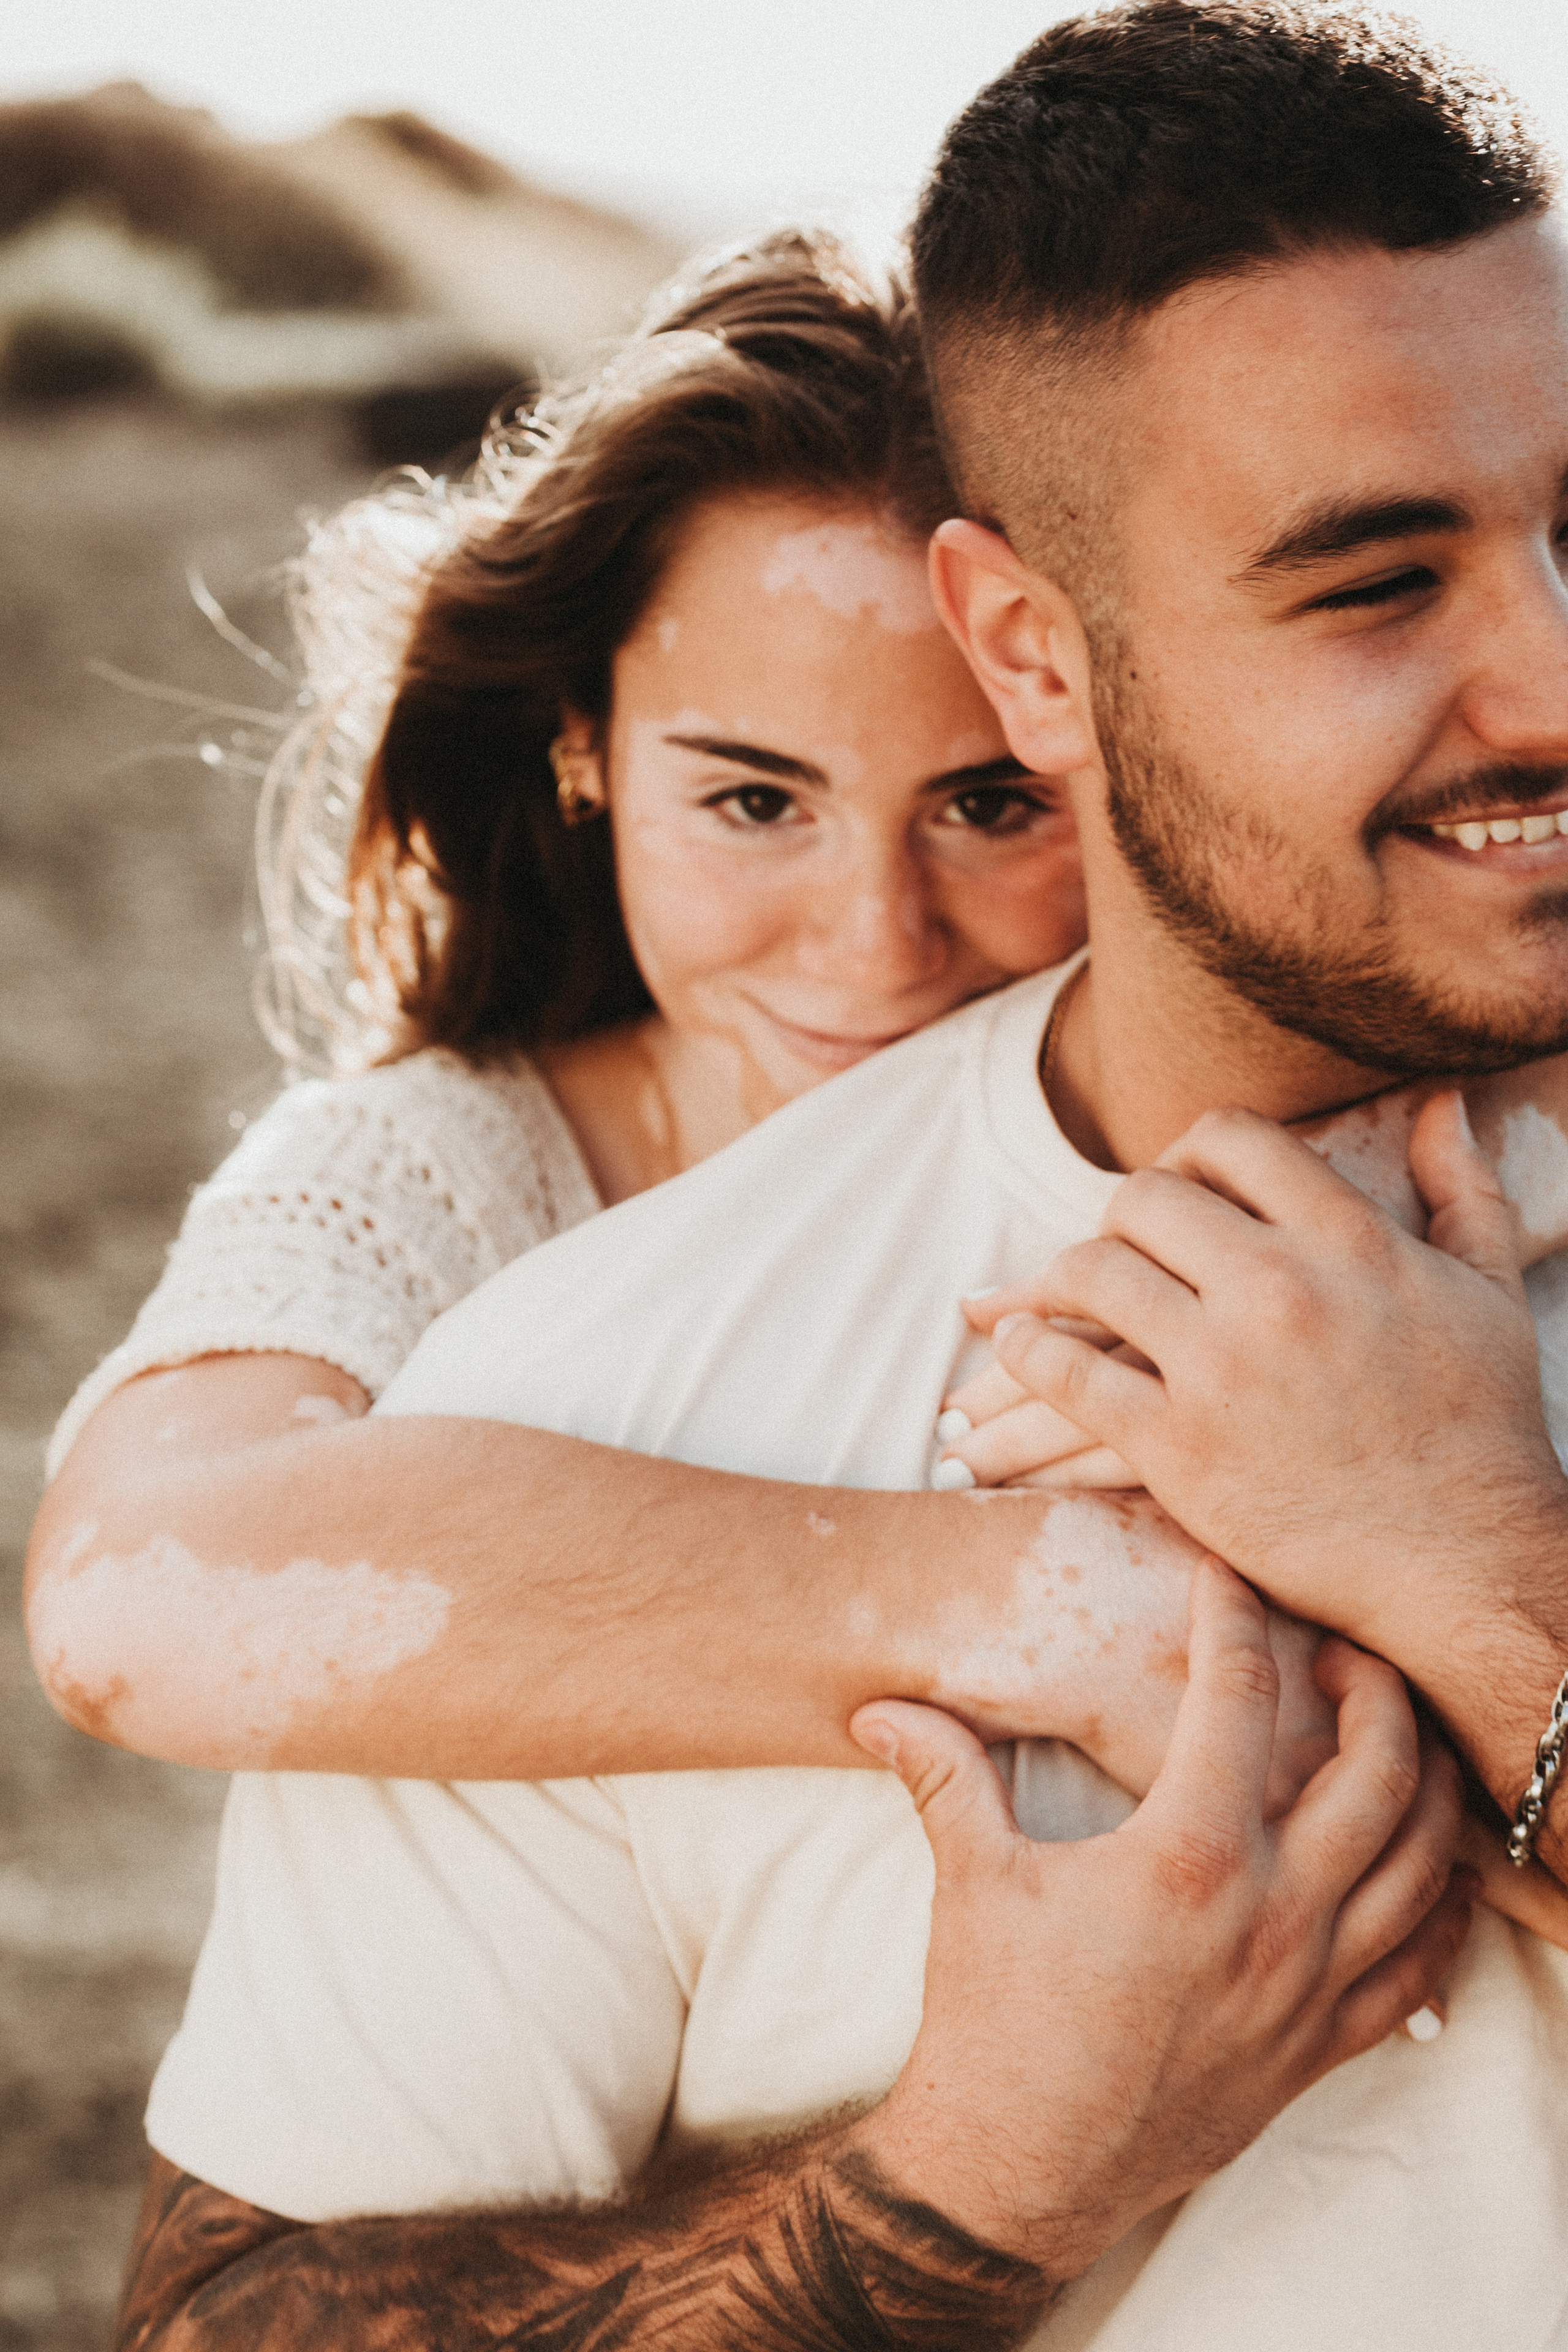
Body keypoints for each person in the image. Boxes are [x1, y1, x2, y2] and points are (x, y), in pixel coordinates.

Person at [94, 7, 1568, 2348]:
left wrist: (1479, 1583)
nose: (873, 948)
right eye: (1373, 581)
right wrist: (987, 2162)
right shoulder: (542, 1354)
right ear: (1043, 653)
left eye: (975, 810)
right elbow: (140, 1591)